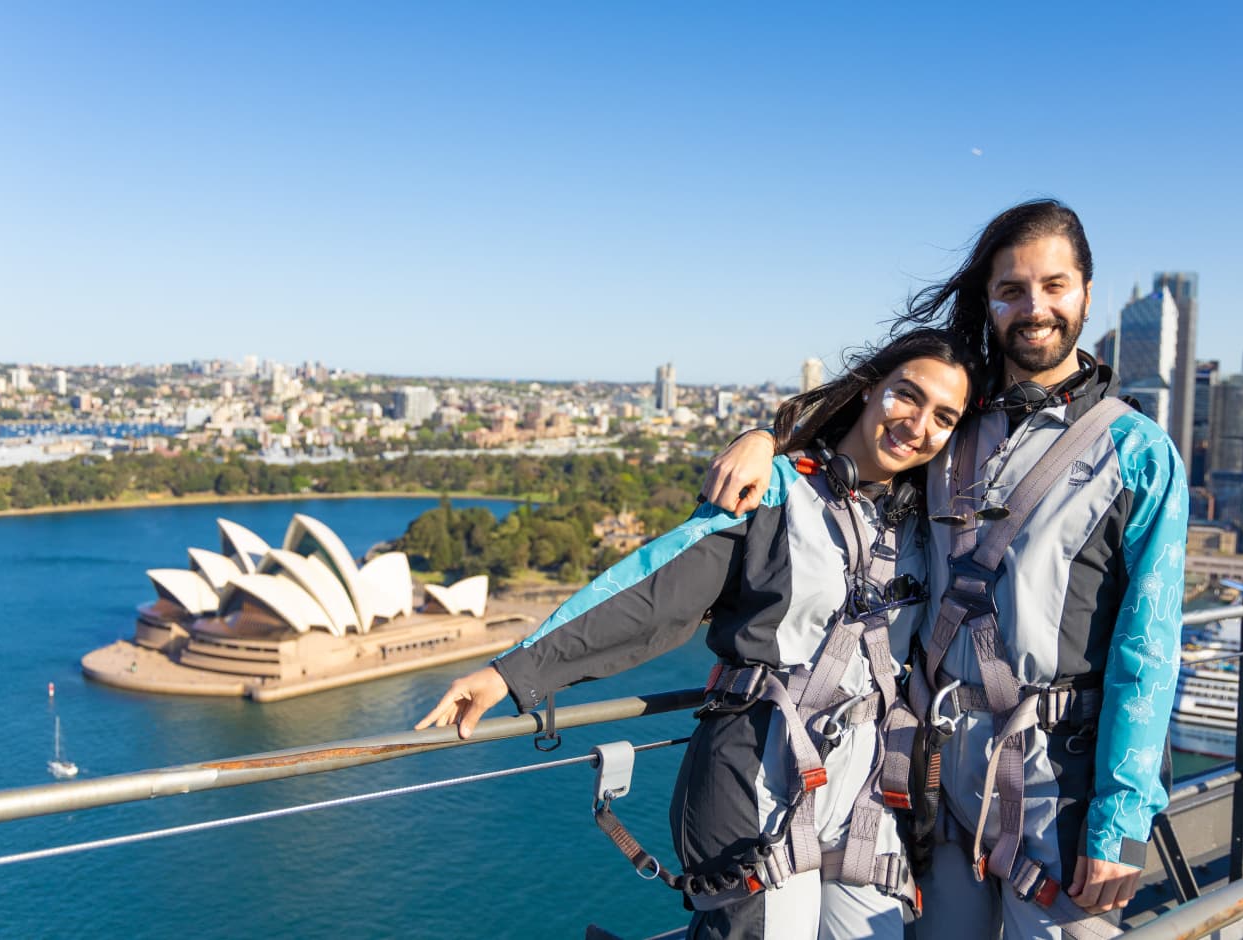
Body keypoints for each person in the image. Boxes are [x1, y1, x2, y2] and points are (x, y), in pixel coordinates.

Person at [701, 199, 1187, 939]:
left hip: (1060, 790)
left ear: (1087, 292)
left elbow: (1148, 651)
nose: (1035, 309)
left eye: (1055, 287)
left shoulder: (1139, 454)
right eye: (1012, 290)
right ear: (988, 302)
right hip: (932, 784)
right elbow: (848, 457)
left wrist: (1121, 819)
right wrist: (764, 439)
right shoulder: (950, 426)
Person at [418, 328, 979, 940]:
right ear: (870, 390)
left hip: (864, 785)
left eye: (943, 417)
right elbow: (654, 596)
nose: (918, 424)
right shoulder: (774, 491)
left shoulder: (928, 521)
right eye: (907, 396)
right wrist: (512, 672)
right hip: (757, 774)